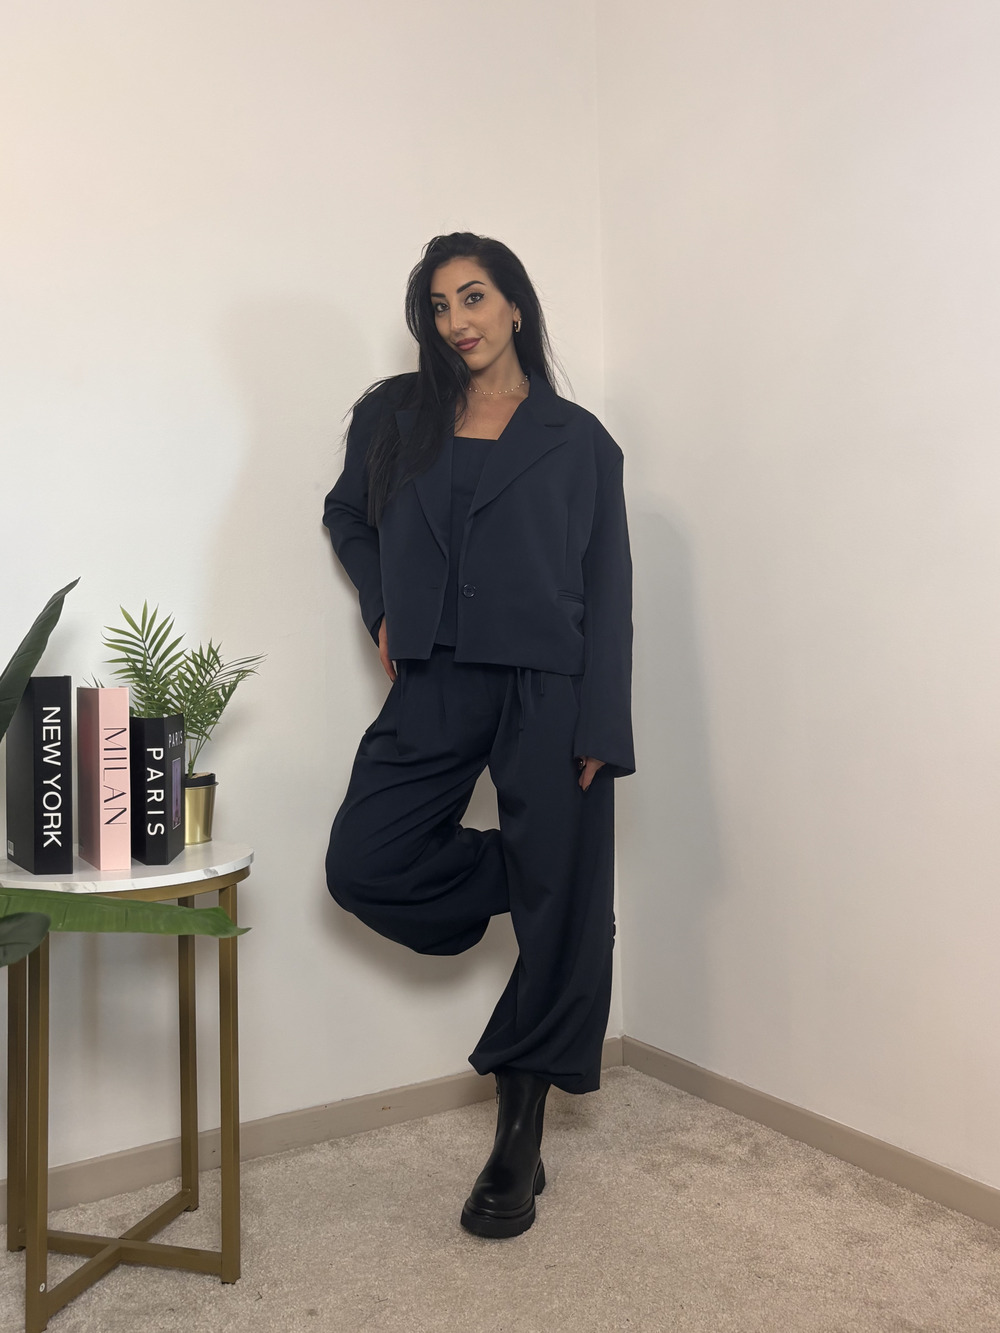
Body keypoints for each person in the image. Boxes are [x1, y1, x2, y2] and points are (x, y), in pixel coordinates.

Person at [323, 232, 635, 1239]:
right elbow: (347, 516)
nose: (455, 320)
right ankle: (553, 883)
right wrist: (384, 604)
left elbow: (607, 584)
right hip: (436, 675)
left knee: (560, 898)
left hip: (551, 683)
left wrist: (604, 717)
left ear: (513, 306)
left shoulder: (578, 439)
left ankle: (518, 1136)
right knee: (364, 861)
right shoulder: (395, 415)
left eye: (473, 297)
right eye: (438, 305)